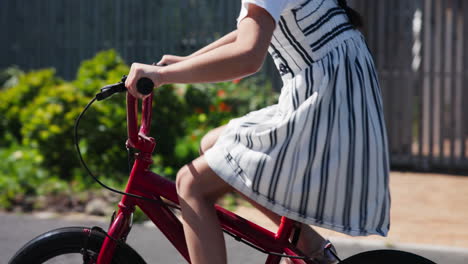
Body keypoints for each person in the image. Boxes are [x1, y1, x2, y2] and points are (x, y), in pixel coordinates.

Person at [125, 0, 391, 263]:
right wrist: (185, 62)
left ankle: (307, 244)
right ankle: (308, 245)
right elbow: (253, 29)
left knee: (190, 183)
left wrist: (162, 76)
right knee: (212, 144)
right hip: (342, 112)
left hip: (323, 114)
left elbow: (248, 56)